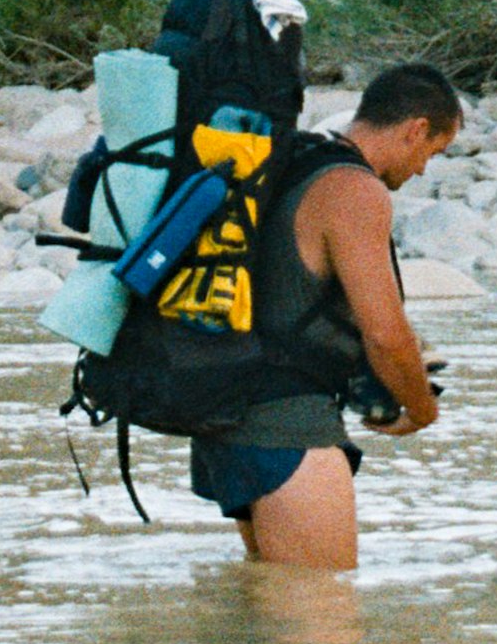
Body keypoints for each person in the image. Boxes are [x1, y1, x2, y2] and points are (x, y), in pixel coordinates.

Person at [190, 59, 465, 569]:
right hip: (288, 429)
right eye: (433, 151)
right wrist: (421, 408)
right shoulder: (354, 190)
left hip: (224, 416)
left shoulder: (291, 162)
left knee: (269, 613)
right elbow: (385, 334)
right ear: (416, 129)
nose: (425, 167)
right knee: (324, 628)